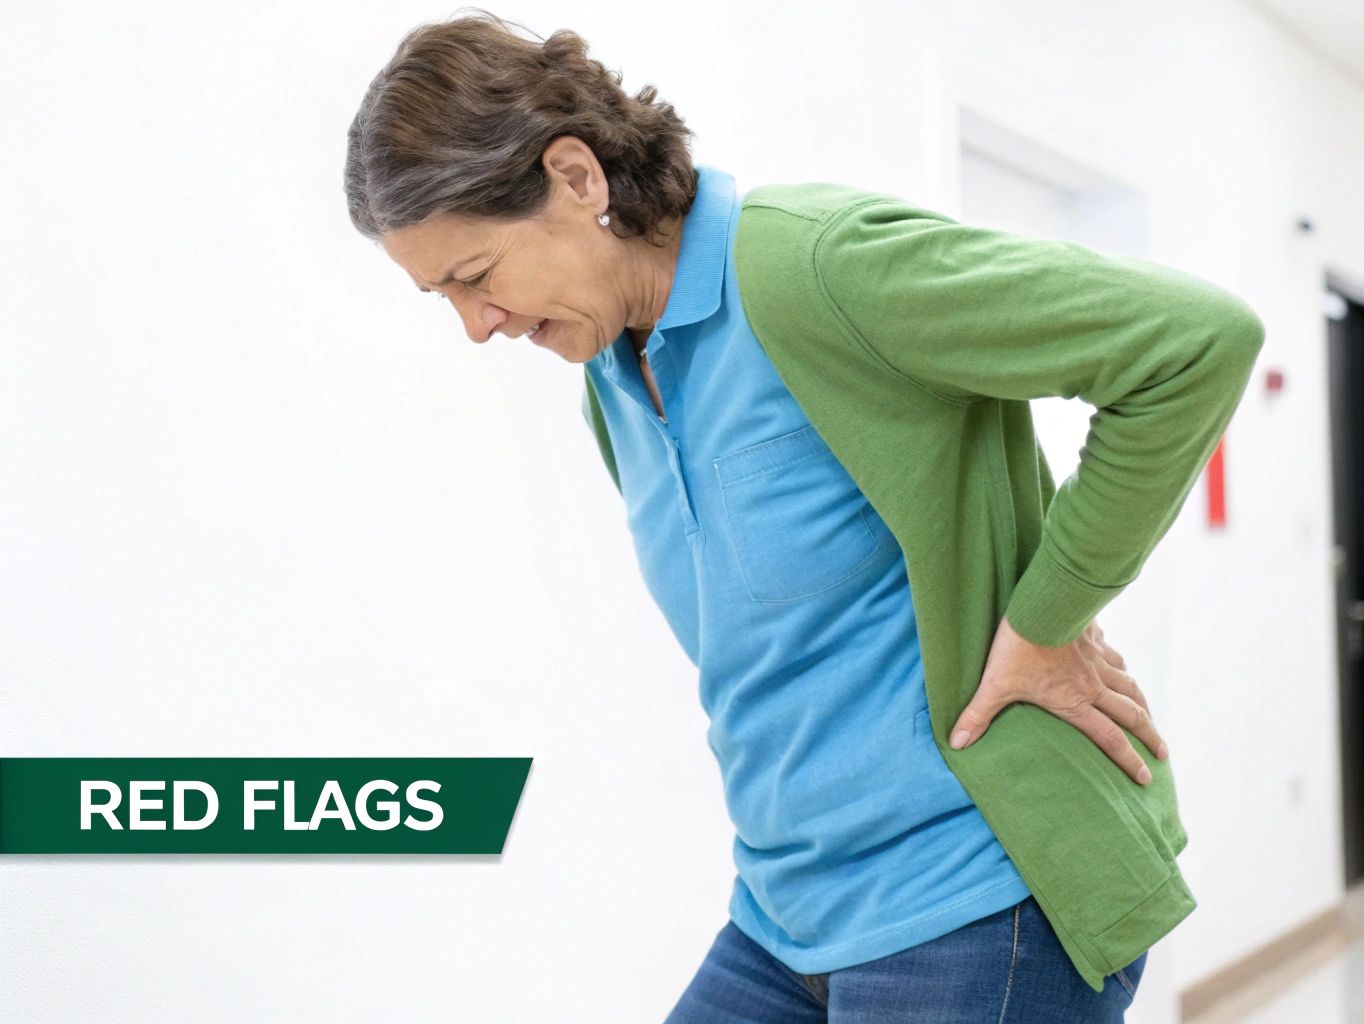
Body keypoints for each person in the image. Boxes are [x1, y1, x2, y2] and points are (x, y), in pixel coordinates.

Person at [344, 11, 1264, 1022]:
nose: (477, 327)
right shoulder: (609, 378)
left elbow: (1192, 342)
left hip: (970, 891)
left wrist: (1047, 618)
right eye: (442, 297)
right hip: (785, 913)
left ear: (576, 178)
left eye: (476, 277)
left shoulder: (812, 267)